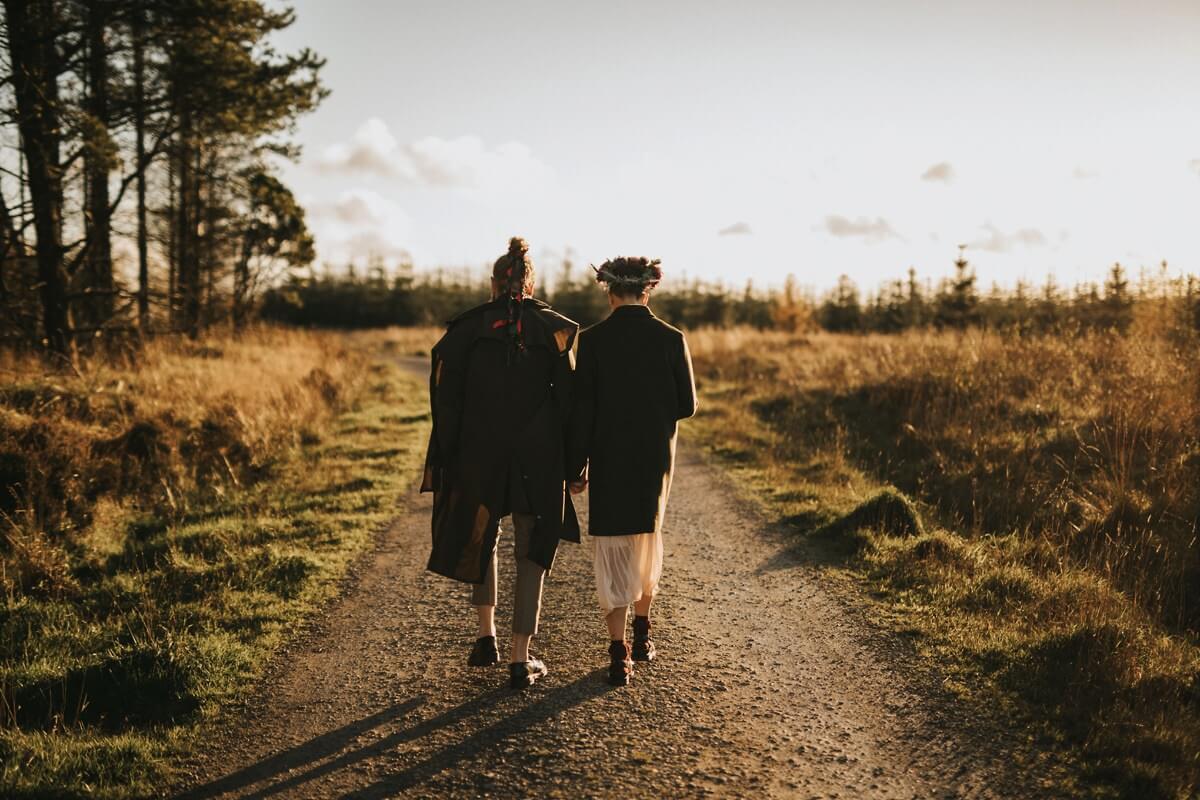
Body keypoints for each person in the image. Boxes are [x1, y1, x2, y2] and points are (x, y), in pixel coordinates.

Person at [421, 237, 580, 689]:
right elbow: (567, 403)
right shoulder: (555, 330)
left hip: (478, 451)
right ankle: (519, 657)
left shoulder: (466, 330)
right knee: (531, 548)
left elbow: (445, 399)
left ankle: (484, 636)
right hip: (539, 453)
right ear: (531, 284)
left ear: (493, 283)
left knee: (482, 533)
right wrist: (573, 467)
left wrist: (448, 454)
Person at [567, 256, 697, 686]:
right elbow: (687, 405)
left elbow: (581, 410)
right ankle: (643, 632)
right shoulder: (671, 338)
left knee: (613, 547)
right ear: (649, 290)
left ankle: (619, 650)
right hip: (653, 459)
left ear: (609, 291)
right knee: (645, 539)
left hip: (609, 457)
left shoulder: (594, 341)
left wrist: (576, 465)